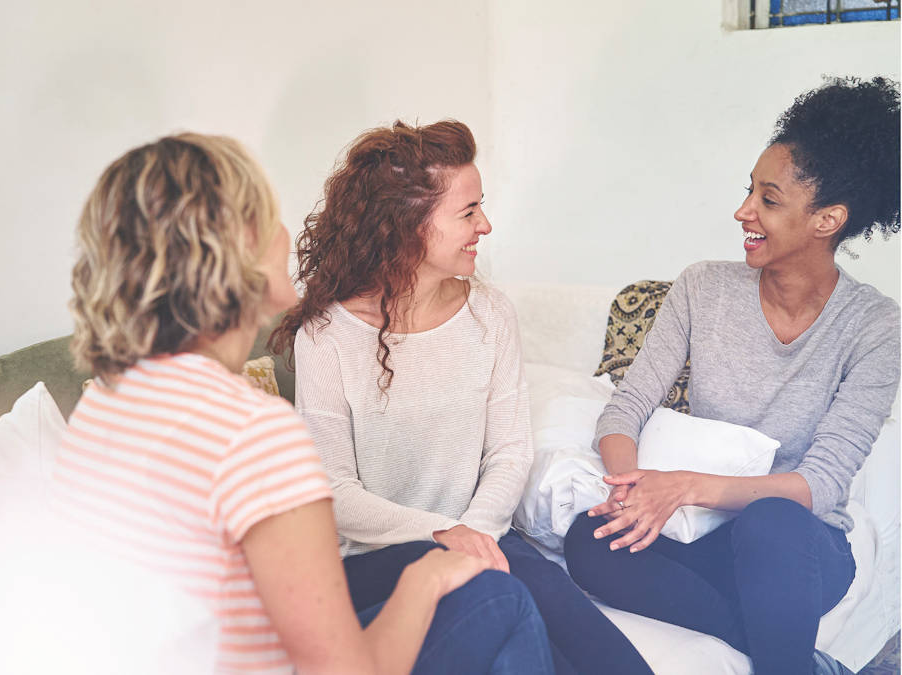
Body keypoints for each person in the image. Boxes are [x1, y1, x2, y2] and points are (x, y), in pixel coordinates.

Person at [55, 132, 555, 674]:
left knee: (517, 603)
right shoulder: (252, 433)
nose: (288, 232)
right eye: (270, 216)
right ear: (236, 247)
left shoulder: (103, 408)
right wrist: (425, 574)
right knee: (500, 601)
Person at [270, 119, 653, 675]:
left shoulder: (489, 313)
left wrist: (475, 532)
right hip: (379, 562)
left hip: (483, 535)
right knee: (509, 604)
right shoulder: (327, 336)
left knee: (605, 656)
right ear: (406, 225)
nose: (486, 225)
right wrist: (444, 536)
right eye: (468, 212)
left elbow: (509, 451)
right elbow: (335, 492)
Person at [563, 76, 901, 675]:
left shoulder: (874, 325)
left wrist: (683, 485)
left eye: (768, 200)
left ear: (827, 220)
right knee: (590, 543)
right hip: (704, 538)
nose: (743, 211)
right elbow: (626, 407)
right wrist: (635, 490)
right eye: (749, 190)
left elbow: (819, 483)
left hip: (798, 551)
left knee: (772, 524)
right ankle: (800, 661)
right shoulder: (702, 287)